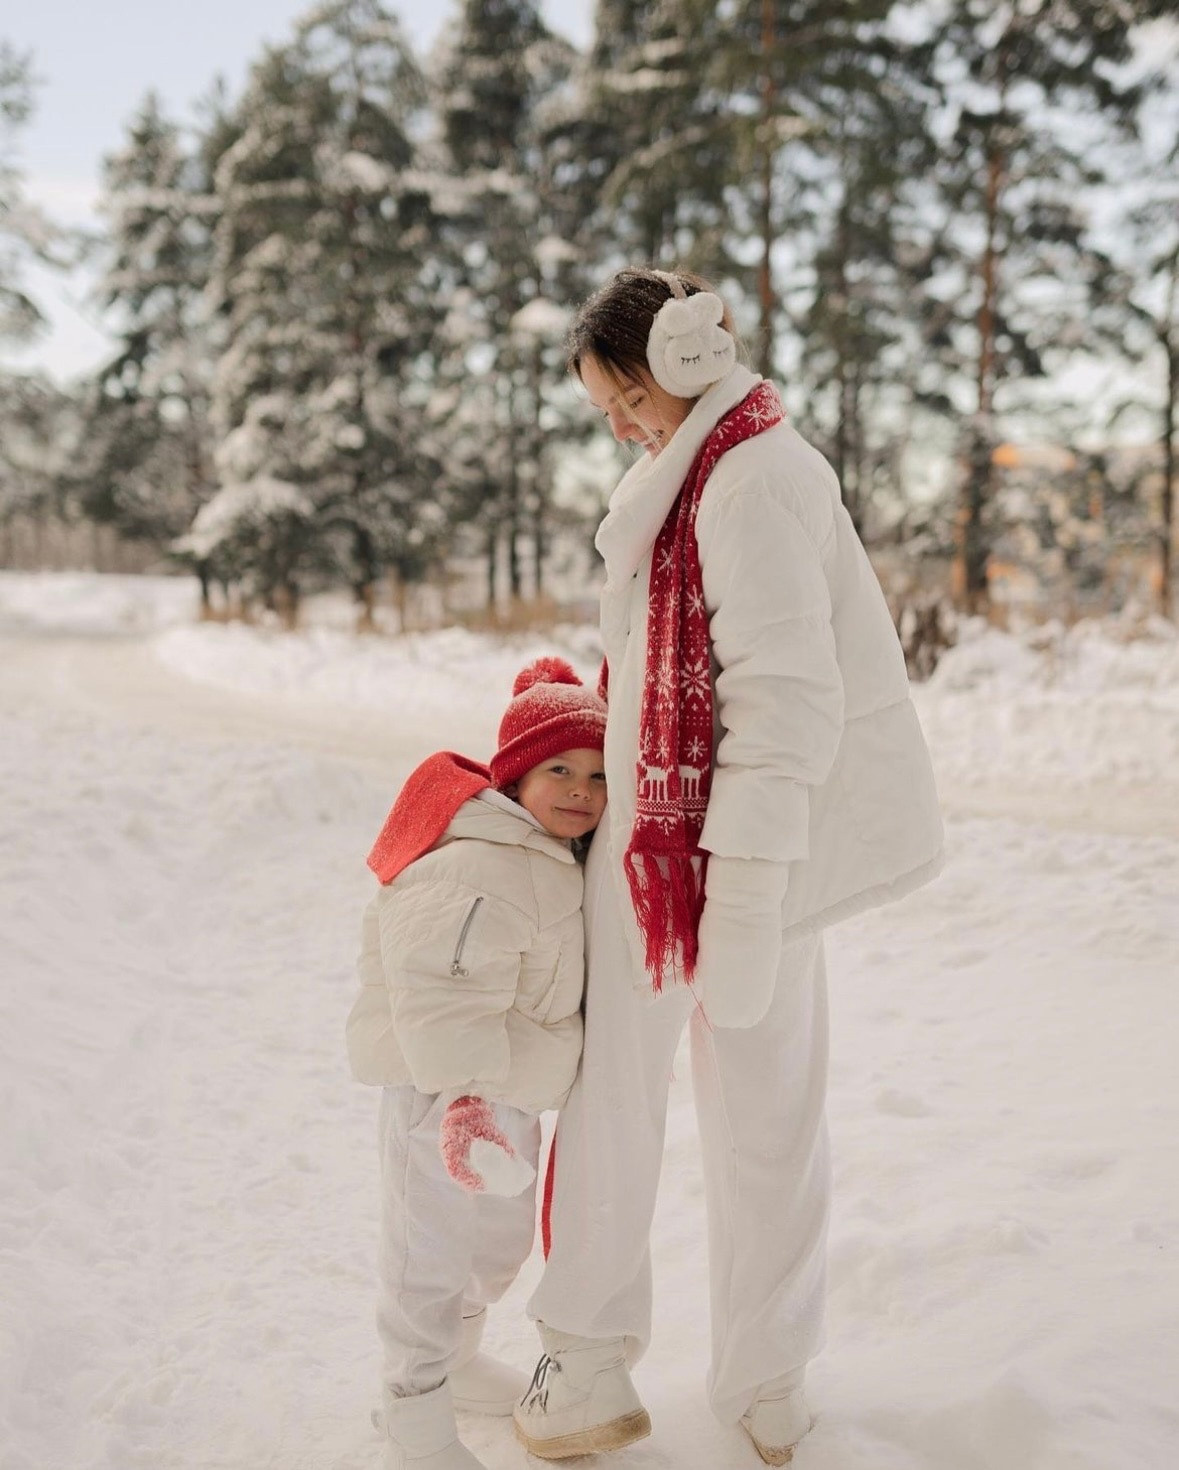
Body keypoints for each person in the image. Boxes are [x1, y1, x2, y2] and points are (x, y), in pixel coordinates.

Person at [512, 269, 944, 1466]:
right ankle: (594, 1361)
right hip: (656, 854)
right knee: (623, 1104)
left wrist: (745, 892)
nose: (618, 425)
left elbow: (788, 707)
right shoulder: (692, 474)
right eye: (606, 409)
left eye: (625, 399)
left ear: (677, 373)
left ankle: (764, 1372)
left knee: (762, 1120)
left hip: (745, 864)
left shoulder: (752, 481)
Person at [346, 657, 608, 1470]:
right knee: (429, 1252)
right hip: (443, 1091)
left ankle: (456, 1363)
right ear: (512, 777)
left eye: (598, 776)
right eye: (557, 769)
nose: (578, 791)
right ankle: (412, 1407)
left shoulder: (548, 859)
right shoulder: (476, 860)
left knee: (495, 1245)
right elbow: (441, 990)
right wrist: (463, 1097)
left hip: (507, 1090)